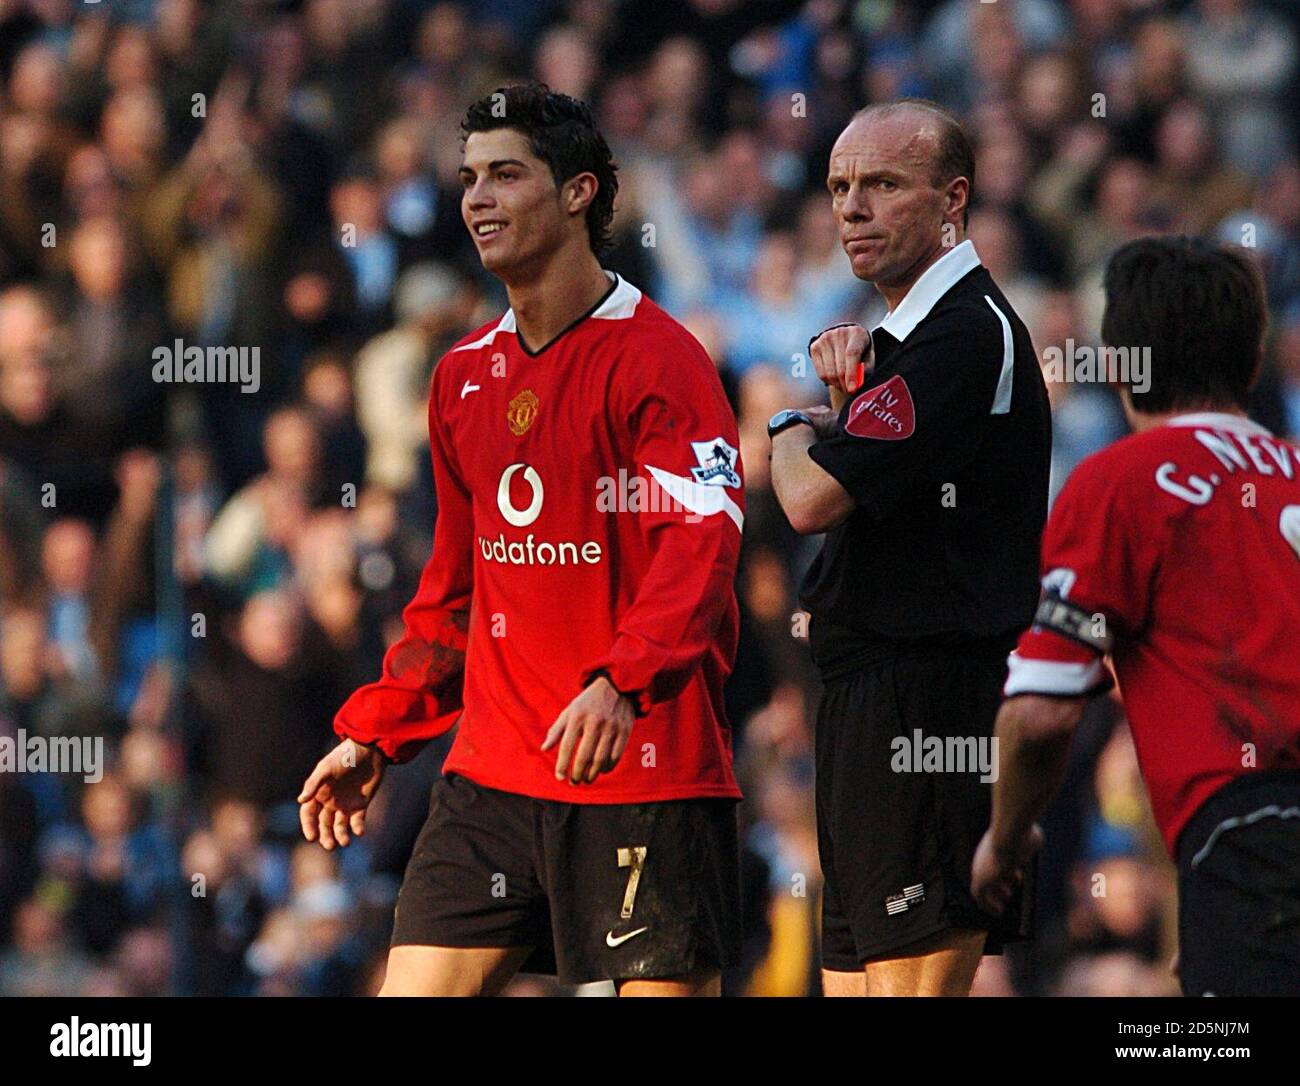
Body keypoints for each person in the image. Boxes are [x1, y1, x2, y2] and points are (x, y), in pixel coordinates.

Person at [296, 83, 745, 997]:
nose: (477, 199)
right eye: (468, 179)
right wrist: (378, 735)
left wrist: (624, 680)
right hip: (493, 775)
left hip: (643, 773)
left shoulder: (661, 360)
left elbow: (704, 539)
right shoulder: (461, 377)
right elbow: (454, 594)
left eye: (506, 174)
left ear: (580, 191)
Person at [768, 99, 1051, 995]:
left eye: (883, 185)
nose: (851, 208)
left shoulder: (964, 333)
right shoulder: (915, 341)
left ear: (952, 199)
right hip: (871, 706)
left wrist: (787, 421)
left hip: (928, 712)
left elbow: (808, 496)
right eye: (841, 187)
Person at [972, 235, 1300, 997]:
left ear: (1116, 363)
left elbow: (1043, 715)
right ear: (1253, 363)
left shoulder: (1121, 484)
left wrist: (1004, 841)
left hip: (1250, 842)